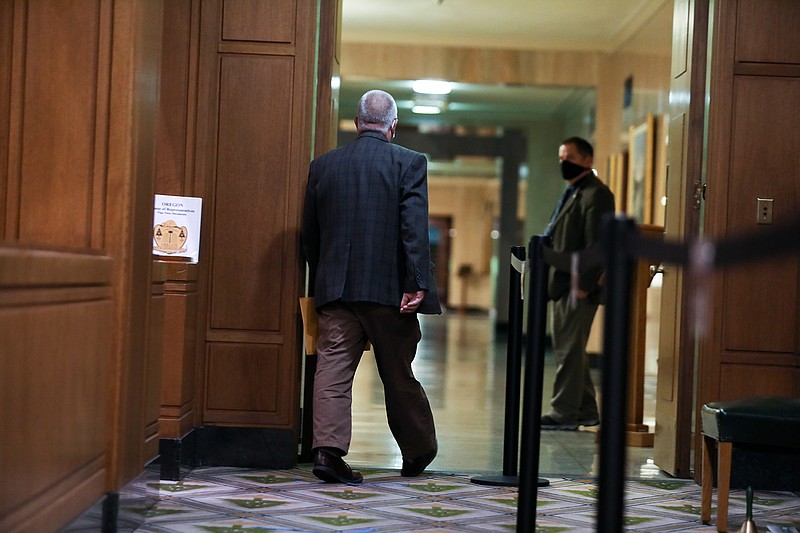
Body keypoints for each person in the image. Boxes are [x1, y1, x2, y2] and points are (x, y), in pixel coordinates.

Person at [302, 89, 440, 484]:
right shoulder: (409, 163)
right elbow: (414, 229)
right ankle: (417, 452)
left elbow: (311, 234)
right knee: (397, 373)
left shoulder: (323, 166)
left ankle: (327, 453)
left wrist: (324, 273)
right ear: (392, 126)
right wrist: (416, 283)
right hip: (389, 293)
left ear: (357, 123)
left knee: (331, 370)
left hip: (337, 289)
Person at [541, 136, 615, 431]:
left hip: (578, 285)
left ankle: (564, 412)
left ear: (587, 160)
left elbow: (598, 243)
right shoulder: (573, 192)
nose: (564, 162)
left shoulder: (596, 194)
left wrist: (584, 283)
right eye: (561, 157)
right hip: (562, 281)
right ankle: (585, 410)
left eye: (570, 156)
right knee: (569, 349)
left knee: (569, 350)